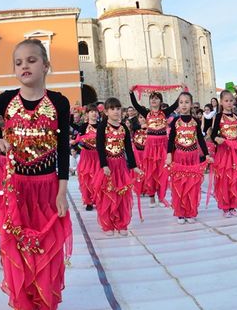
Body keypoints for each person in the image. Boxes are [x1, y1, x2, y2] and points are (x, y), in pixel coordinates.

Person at [0, 39, 72, 310]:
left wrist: (61, 191)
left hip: (47, 188)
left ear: (46, 66)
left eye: (32, 60)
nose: (25, 65)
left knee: (47, 247)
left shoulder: (59, 102)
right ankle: (23, 301)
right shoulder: (5, 99)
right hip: (16, 189)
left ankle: (44, 300)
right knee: (18, 246)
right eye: (19, 62)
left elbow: (63, 148)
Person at [93, 97, 139, 236]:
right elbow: (100, 147)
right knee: (108, 193)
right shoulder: (102, 127)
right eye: (112, 109)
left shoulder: (124, 128)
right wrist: (104, 165)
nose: (116, 111)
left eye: (118, 108)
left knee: (122, 193)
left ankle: (122, 223)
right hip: (108, 165)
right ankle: (108, 224)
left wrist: (133, 166)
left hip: (121, 166)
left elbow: (128, 149)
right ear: (106, 112)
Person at [166, 92, 211, 224]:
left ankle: (190, 212)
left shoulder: (196, 121)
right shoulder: (175, 121)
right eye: (181, 102)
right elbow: (171, 140)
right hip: (179, 157)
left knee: (192, 185)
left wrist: (207, 155)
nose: (184, 105)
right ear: (178, 105)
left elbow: (201, 140)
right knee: (179, 184)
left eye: (186, 102)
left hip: (192, 158)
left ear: (191, 104)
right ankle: (180, 212)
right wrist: (169, 154)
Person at [129, 90, 178, 208]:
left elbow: (176, 104)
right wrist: (131, 93)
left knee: (163, 170)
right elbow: (135, 105)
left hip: (162, 144)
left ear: (160, 101)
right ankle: (151, 196)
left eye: (156, 98)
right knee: (150, 170)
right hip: (150, 145)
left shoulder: (165, 112)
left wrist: (184, 90)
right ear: (150, 101)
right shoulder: (146, 113)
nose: (154, 100)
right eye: (152, 98)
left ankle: (161, 197)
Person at [209, 91, 237, 217]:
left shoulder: (236, 117)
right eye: (226, 101)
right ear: (221, 102)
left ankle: (233, 206)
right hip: (224, 153)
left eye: (231, 100)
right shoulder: (218, 116)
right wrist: (216, 139)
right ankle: (225, 207)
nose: (229, 103)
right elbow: (213, 135)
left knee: (235, 178)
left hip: (235, 152)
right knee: (224, 178)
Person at [73, 104, 99, 211]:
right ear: (87, 114)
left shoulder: (102, 126)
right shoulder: (83, 126)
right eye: (91, 111)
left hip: (98, 155)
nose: (93, 113)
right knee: (87, 179)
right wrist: (80, 145)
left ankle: (98, 199)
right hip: (86, 156)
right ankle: (89, 201)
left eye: (95, 111)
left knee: (98, 178)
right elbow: (78, 140)